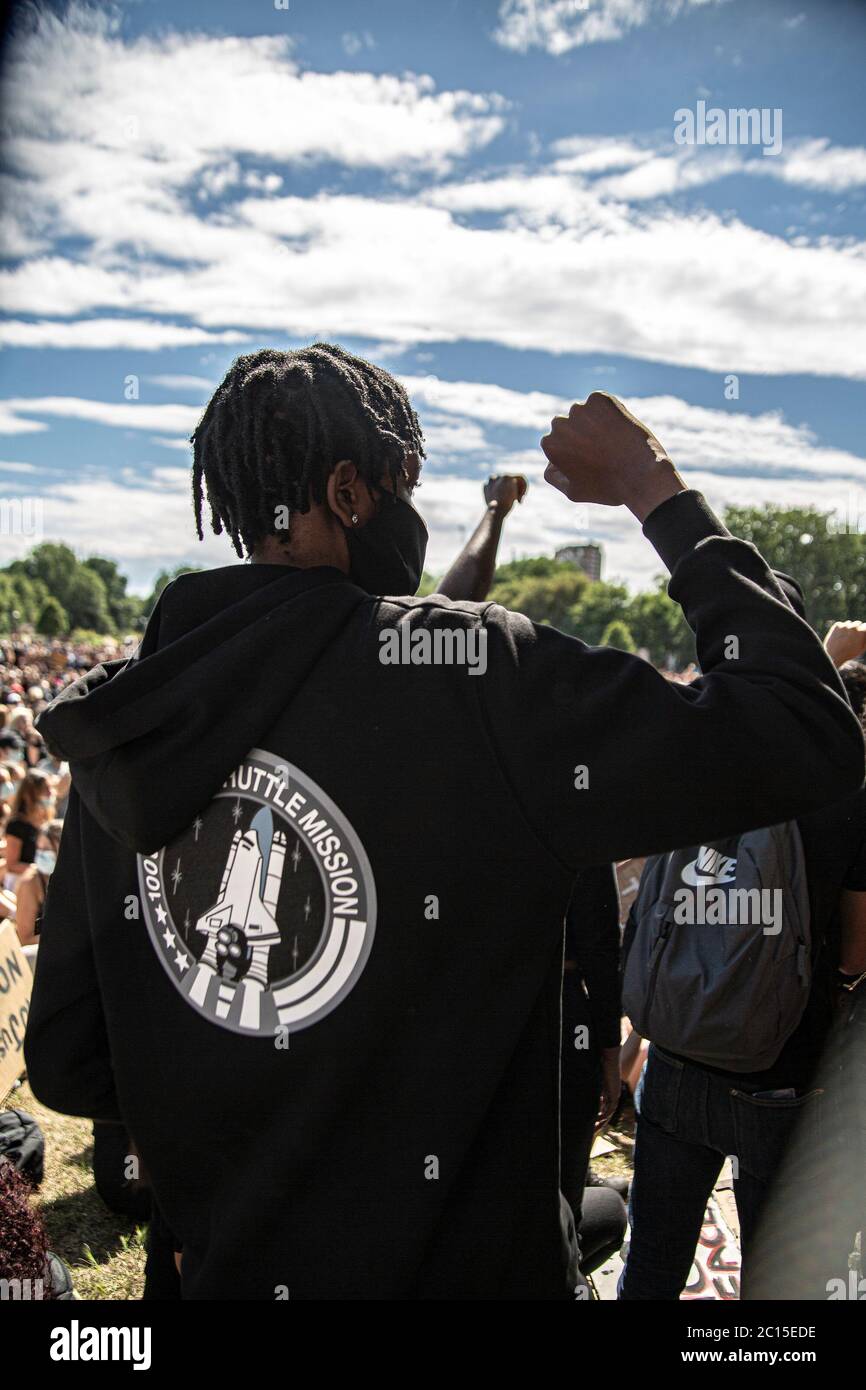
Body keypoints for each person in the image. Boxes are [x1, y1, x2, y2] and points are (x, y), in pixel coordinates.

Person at [25, 345, 864, 1301]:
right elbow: (800, 729)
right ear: (348, 492)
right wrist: (651, 482)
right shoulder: (475, 680)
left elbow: (69, 1058)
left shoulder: (132, 715)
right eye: (400, 485)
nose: (411, 514)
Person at [619, 590, 866, 1301]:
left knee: (654, 1262)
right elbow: (853, 955)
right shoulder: (848, 795)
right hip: (782, 1072)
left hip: (676, 1054)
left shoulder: (700, 768)